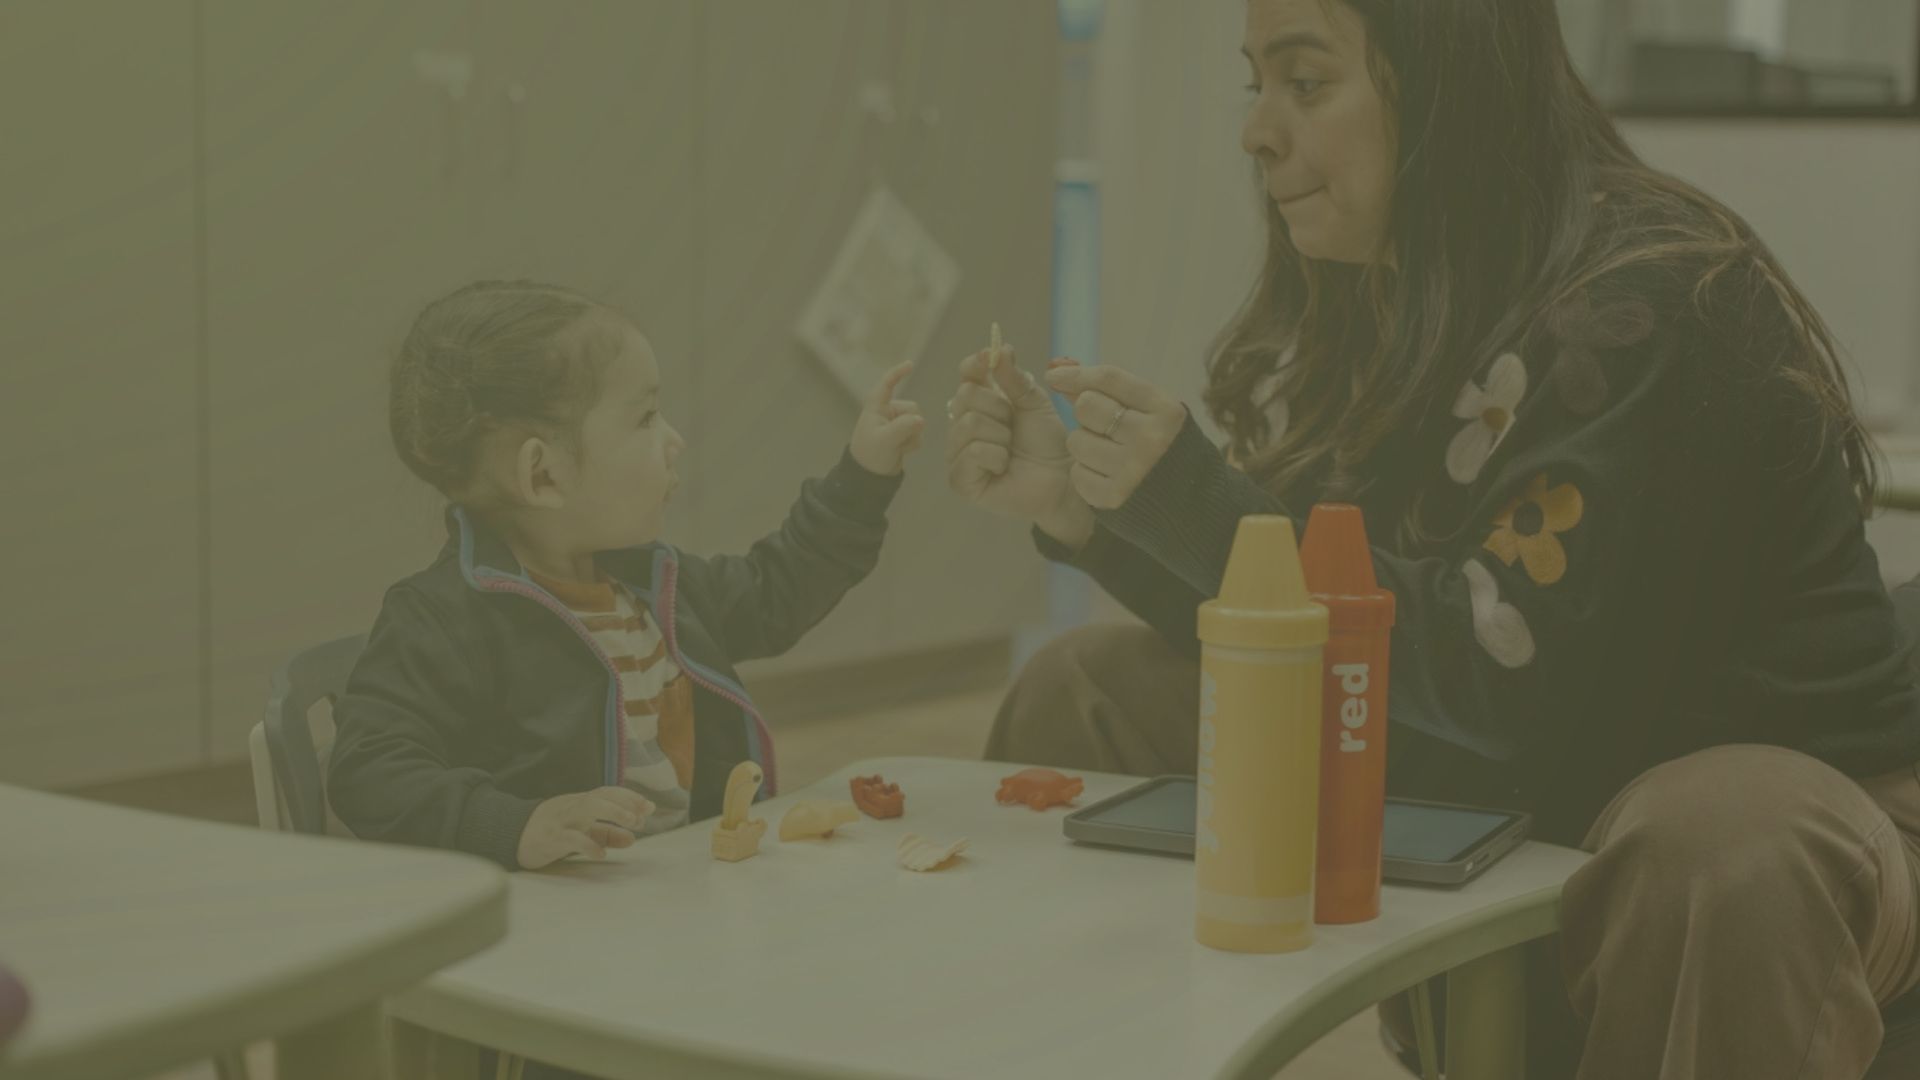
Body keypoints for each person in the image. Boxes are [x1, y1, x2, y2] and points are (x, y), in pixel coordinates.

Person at [945, 2, 1920, 1075]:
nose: (1256, 130)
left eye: (1306, 84)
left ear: (1447, 92)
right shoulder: (1398, 284)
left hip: (1785, 813)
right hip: (1533, 763)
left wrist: (1183, 498)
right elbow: (1318, 607)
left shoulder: (1655, 303)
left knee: (1718, 839)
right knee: (1084, 691)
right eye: (1255, 83)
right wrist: (1091, 512)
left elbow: (1498, 684)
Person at [328, 279, 924, 873]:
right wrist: (516, 823)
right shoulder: (439, 619)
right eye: (644, 419)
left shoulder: (656, 585)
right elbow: (370, 771)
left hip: (678, 899)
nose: (674, 441)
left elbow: (776, 591)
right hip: (561, 933)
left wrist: (863, 478)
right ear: (543, 476)